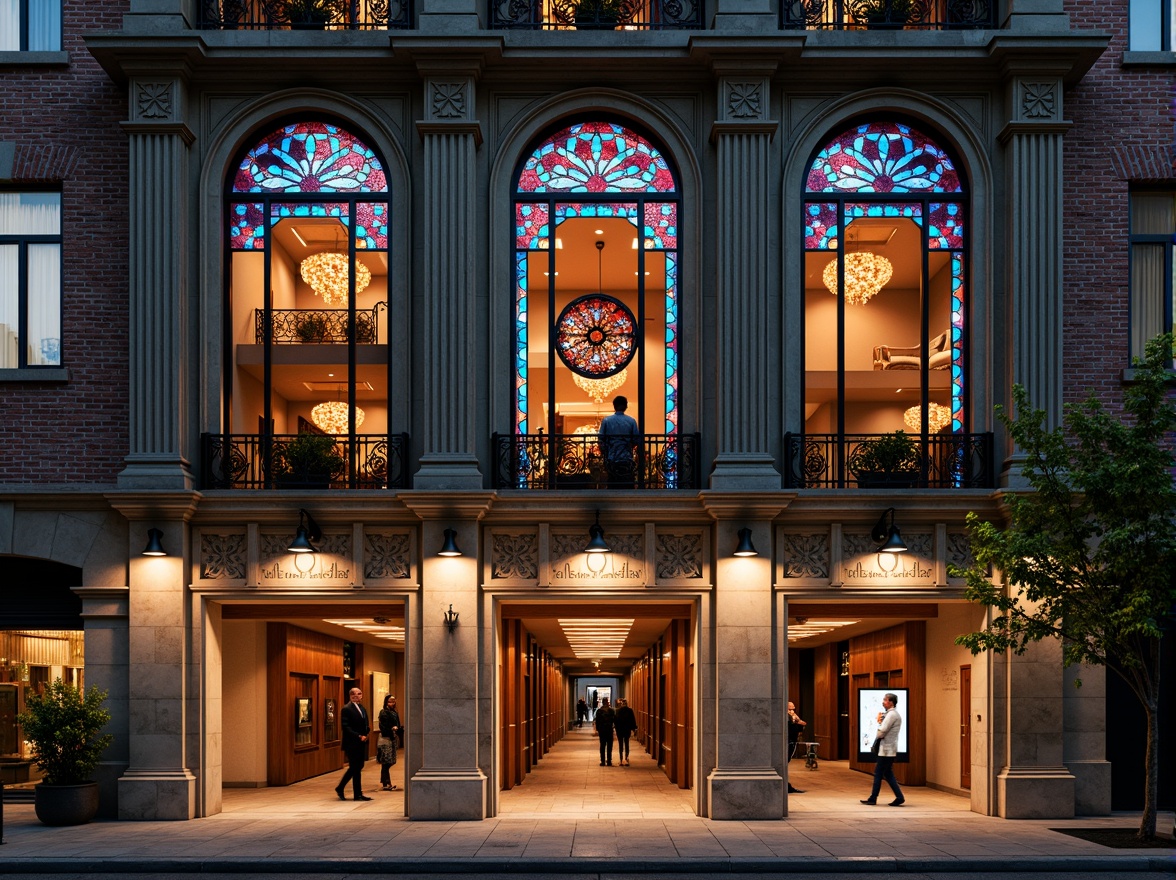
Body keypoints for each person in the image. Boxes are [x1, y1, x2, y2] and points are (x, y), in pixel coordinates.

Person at [861, 692, 904, 806]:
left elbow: (882, 731)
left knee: (878, 773)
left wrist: (879, 724)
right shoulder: (891, 714)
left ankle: (873, 798)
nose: (883, 702)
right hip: (888, 749)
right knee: (888, 774)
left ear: (891, 702)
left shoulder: (891, 715)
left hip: (886, 750)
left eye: (885, 700)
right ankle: (899, 797)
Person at [335, 687, 372, 801]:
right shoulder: (346, 709)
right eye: (354, 694)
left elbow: (365, 723)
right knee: (355, 768)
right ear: (350, 696)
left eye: (359, 694)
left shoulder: (362, 708)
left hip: (361, 742)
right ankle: (357, 794)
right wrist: (358, 736)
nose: (357, 696)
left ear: (362, 695)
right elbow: (346, 727)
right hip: (352, 743)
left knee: (357, 767)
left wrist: (366, 733)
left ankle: (341, 788)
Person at [599, 395, 640, 488]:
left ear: (614, 406)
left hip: (612, 457)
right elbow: (636, 439)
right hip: (626, 457)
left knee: (613, 483)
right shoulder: (631, 421)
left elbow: (601, 438)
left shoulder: (607, 420)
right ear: (626, 406)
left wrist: (604, 451)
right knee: (627, 483)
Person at [377, 694, 403, 792]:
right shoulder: (384, 712)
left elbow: (398, 724)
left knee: (391, 760)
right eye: (390, 701)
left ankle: (385, 781)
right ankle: (386, 782)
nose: (392, 703)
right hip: (386, 738)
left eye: (393, 701)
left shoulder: (394, 712)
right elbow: (383, 726)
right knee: (386, 761)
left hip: (392, 738)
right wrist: (391, 728)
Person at [787, 701, 806, 794]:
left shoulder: (794, 716)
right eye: (789, 709)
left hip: (792, 741)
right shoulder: (787, 717)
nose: (791, 711)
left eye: (793, 709)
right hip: (788, 741)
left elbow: (802, 723)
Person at [594, 696, 617, 766]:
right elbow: (614, 720)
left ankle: (603, 761)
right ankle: (609, 761)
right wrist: (614, 727)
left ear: (602, 702)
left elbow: (597, 721)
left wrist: (597, 729)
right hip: (609, 729)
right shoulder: (611, 711)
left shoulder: (599, 711)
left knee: (602, 745)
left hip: (602, 730)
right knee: (609, 746)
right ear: (607, 702)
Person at [613, 698, 637, 766]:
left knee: (620, 744)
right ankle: (626, 758)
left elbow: (615, 720)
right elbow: (632, 720)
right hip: (627, 730)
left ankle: (621, 759)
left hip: (620, 730)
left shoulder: (618, 711)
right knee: (626, 743)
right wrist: (633, 728)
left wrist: (616, 728)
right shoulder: (630, 710)